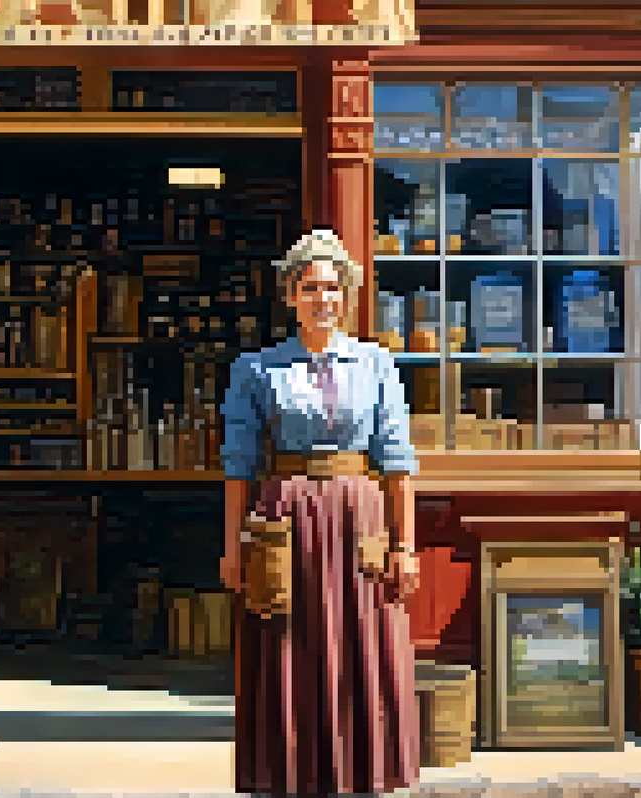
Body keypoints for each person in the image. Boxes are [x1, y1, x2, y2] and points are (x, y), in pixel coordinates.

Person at [220, 229, 421, 797]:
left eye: (333, 289)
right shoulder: (256, 371)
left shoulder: (377, 366)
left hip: (359, 517)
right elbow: (238, 466)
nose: (322, 300)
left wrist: (405, 548)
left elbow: (399, 464)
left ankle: (360, 775)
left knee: (360, 639)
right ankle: (288, 776)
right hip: (283, 523)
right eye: (310, 288)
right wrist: (234, 548)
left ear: (348, 297)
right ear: (291, 295)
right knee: (287, 643)